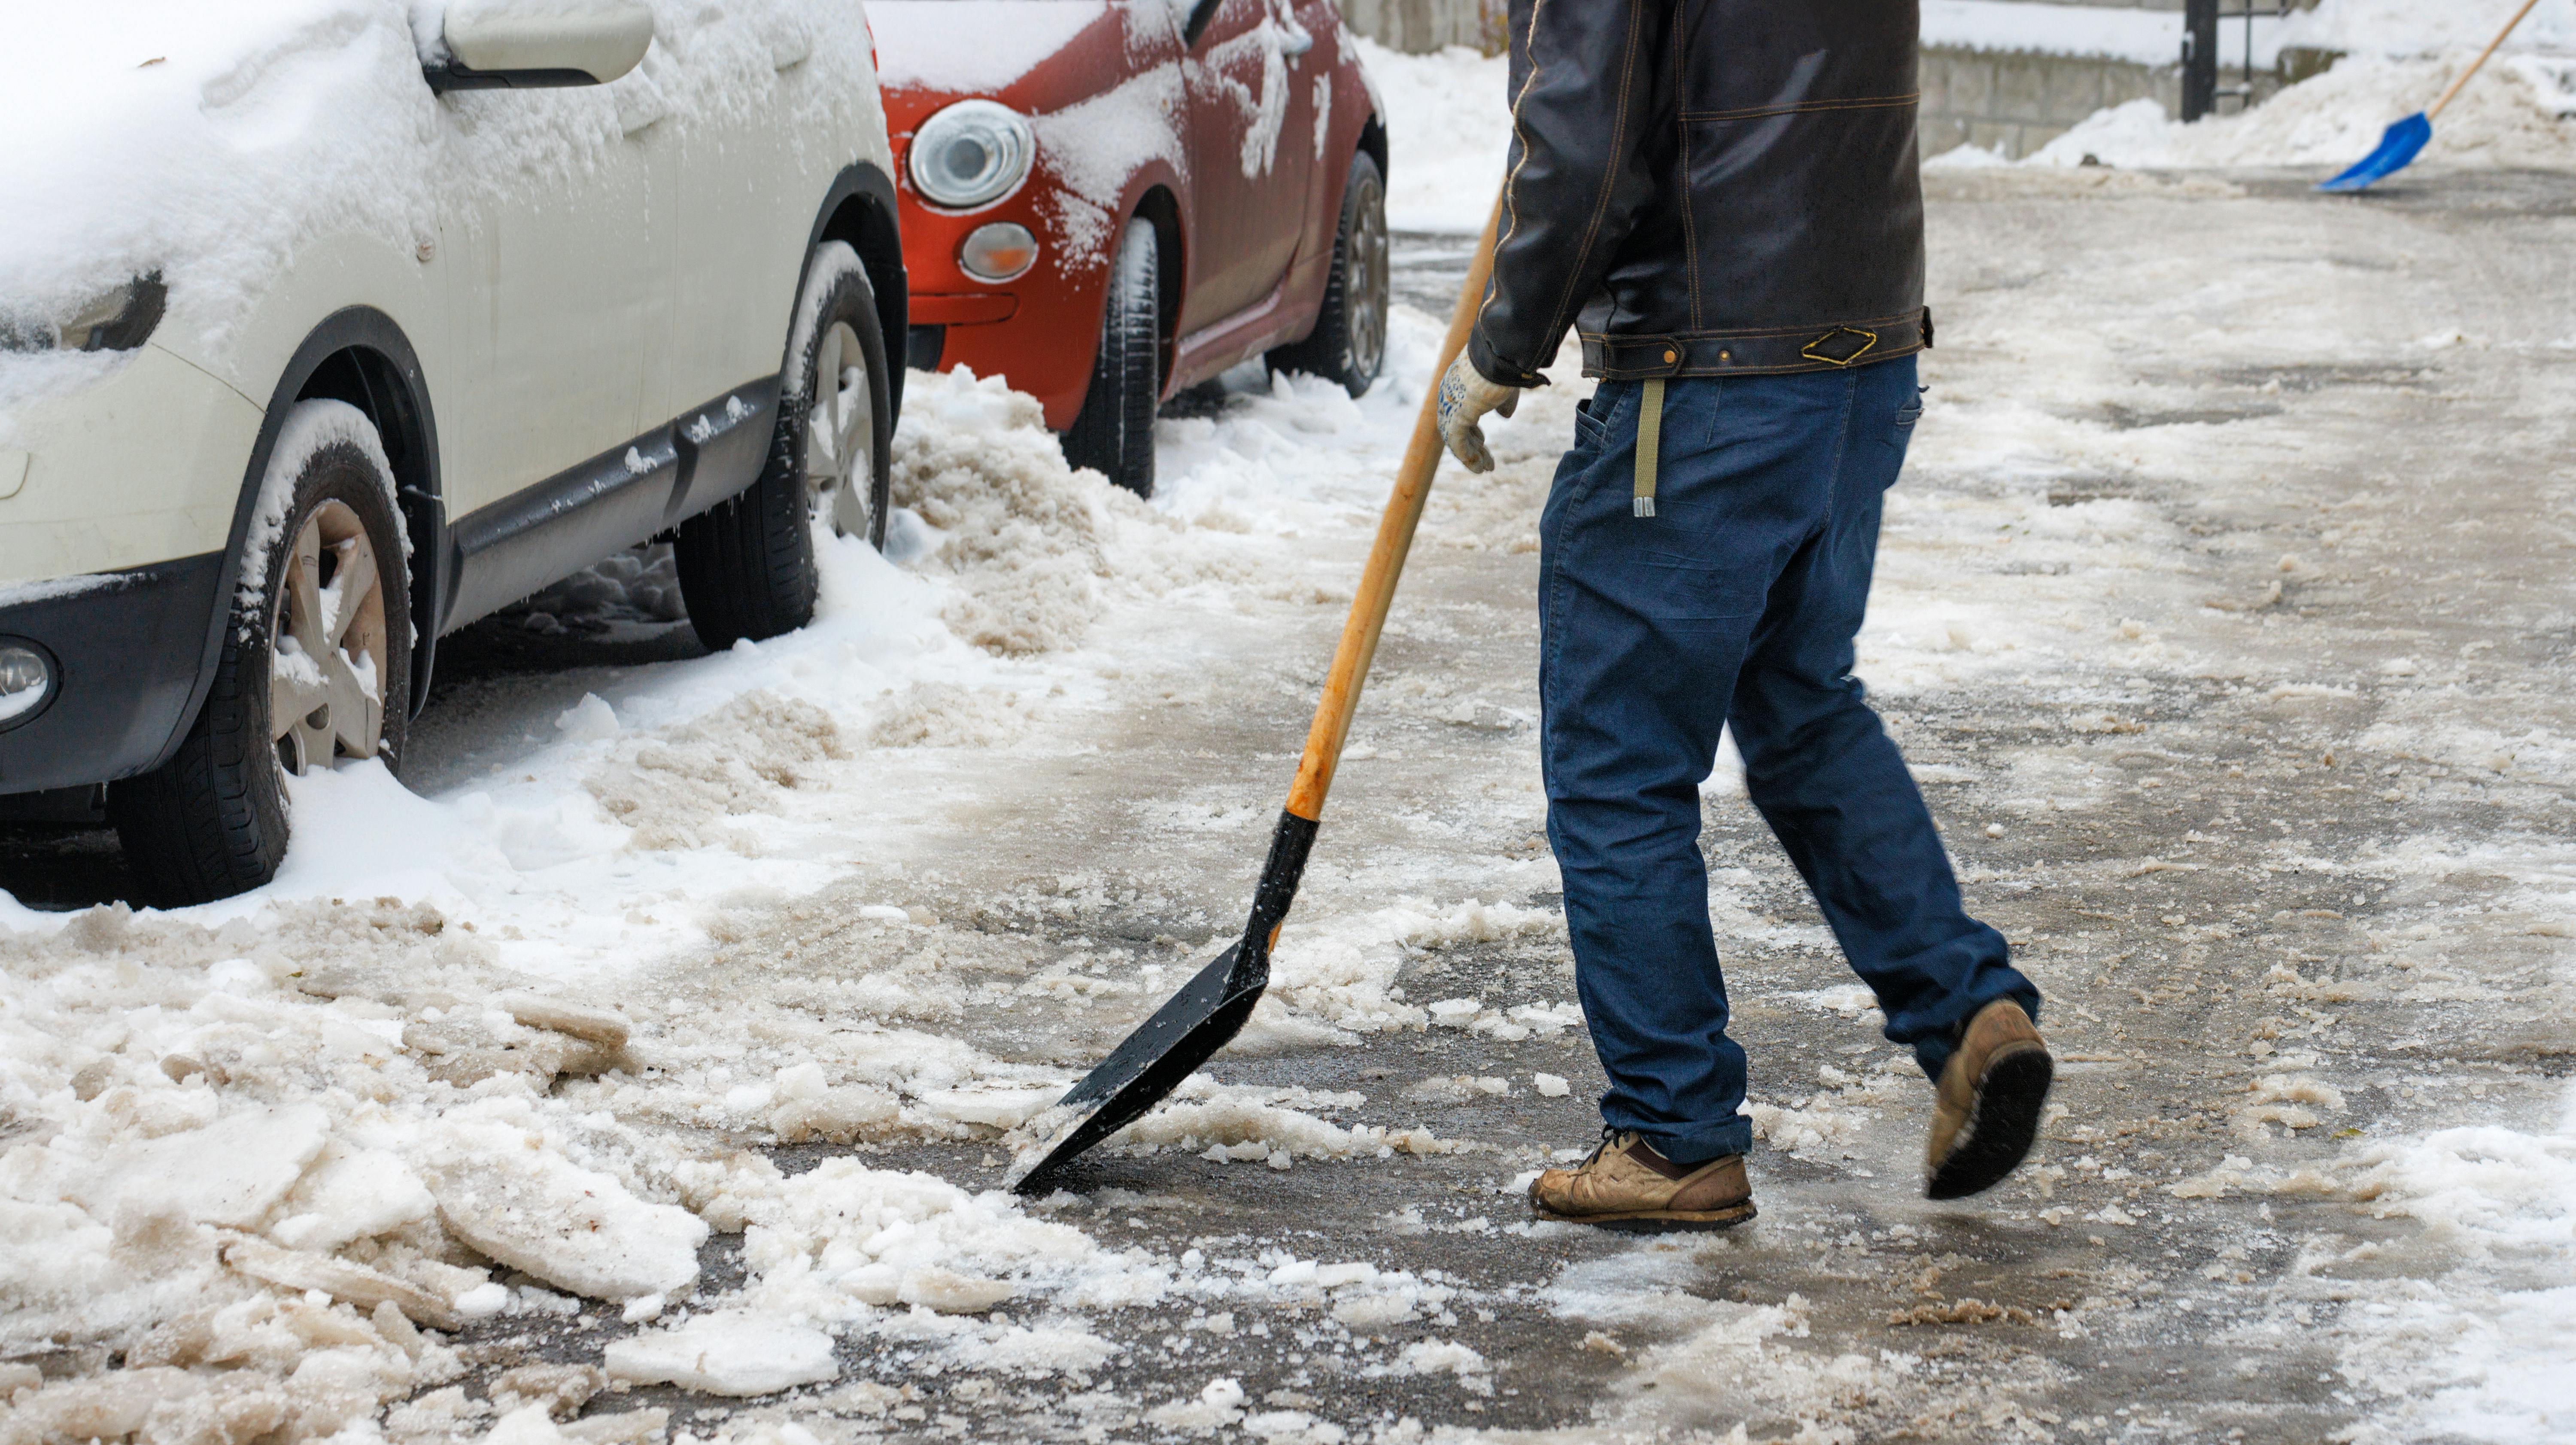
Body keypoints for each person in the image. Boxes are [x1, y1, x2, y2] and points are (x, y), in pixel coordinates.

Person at [1437, 0, 2052, 1229]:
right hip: (1861, 369)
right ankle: (1969, 1011)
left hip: (1701, 386)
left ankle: (1672, 1136)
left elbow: (1582, 133)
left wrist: (1507, 340)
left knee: (1619, 766)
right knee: (1803, 705)